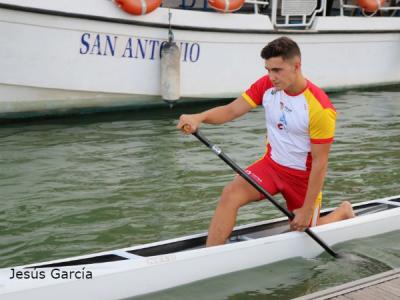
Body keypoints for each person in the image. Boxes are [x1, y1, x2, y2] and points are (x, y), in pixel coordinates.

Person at [177, 37, 355, 247]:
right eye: (268, 70)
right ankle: (209, 256)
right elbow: (231, 110)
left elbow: (320, 163)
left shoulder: (320, 108)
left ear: (296, 66)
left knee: (303, 231)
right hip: (271, 167)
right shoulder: (266, 86)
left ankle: (342, 212)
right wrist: (199, 118)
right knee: (230, 193)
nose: (271, 76)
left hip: (302, 178)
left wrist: (306, 210)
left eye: (277, 70)